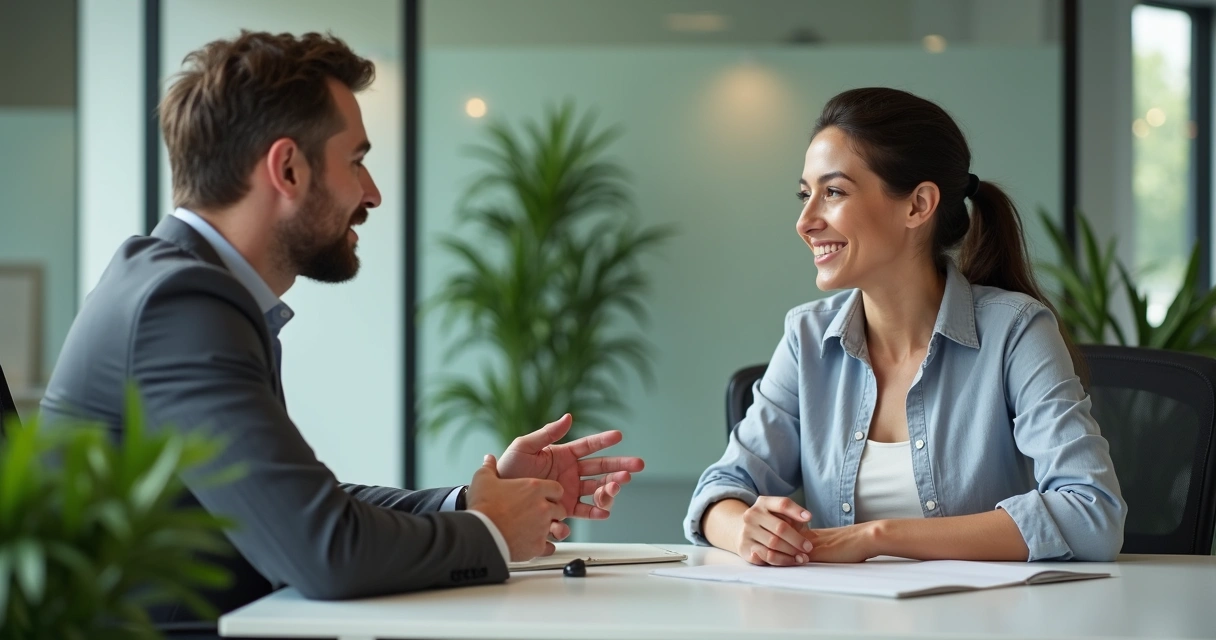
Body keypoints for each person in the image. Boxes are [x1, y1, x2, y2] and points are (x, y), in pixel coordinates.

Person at [40, 30, 644, 624]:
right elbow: (327, 552)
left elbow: (309, 508)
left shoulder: (180, 288)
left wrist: (473, 501)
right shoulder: (181, 304)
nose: (373, 193)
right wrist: (490, 530)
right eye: (356, 161)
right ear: (288, 169)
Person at [686, 87, 1126, 565]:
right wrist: (745, 528)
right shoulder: (806, 338)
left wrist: (875, 537)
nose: (805, 221)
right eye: (804, 194)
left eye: (833, 192)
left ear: (918, 205)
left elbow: (1092, 513)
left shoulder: (1016, 332)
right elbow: (719, 492)